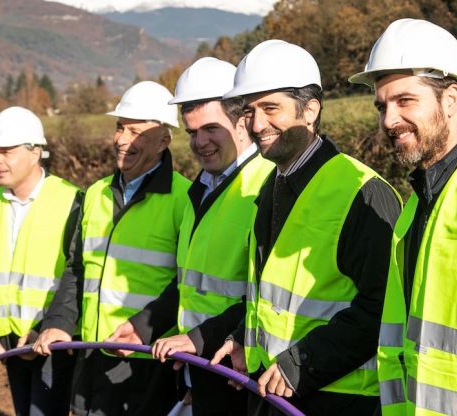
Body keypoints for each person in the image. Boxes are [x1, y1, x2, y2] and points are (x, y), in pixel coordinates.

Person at [211, 40, 402, 415]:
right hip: (275, 391)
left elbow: (382, 308)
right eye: (249, 111)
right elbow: (271, 297)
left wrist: (300, 362)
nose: (257, 124)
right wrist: (242, 339)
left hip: (340, 399)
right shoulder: (273, 184)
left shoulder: (364, 193)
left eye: (270, 108)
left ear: (310, 109)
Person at [349, 18, 457, 415]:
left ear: (452, 98)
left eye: (405, 101)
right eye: (382, 106)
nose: (389, 120)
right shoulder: (415, 205)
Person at [107, 57, 274, 415]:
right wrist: (144, 325)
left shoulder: (266, 189)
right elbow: (188, 285)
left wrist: (203, 339)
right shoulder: (199, 190)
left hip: (238, 373)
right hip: (196, 368)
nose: (200, 142)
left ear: (243, 120)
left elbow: (270, 299)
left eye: (210, 129)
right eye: (191, 132)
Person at [32, 81, 191, 416]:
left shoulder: (184, 201)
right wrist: (59, 320)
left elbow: (187, 286)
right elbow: (77, 268)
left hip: (144, 364)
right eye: (120, 128)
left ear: (164, 140)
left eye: (135, 131)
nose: (121, 140)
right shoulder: (95, 194)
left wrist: (145, 328)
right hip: (89, 355)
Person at [0, 106, 82, 416]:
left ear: (35, 153)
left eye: (6, 151)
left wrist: (48, 328)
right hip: (11, 343)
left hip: (52, 343)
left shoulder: (71, 200)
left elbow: (79, 274)